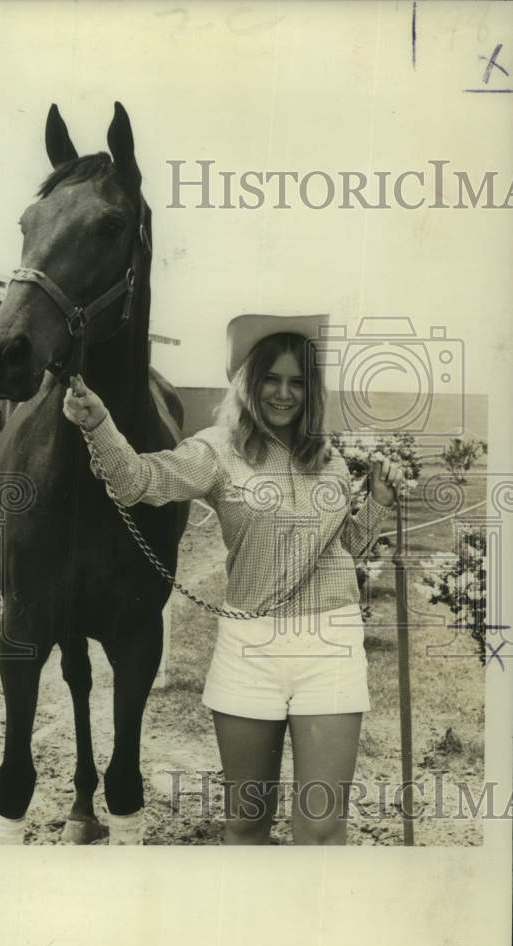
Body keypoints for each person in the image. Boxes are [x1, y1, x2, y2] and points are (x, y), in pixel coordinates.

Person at [63, 314, 403, 845]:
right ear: (250, 379)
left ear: (311, 389)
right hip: (250, 651)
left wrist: (377, 507)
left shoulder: (328, 456)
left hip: (331, 644)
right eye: (272, 378)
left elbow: (342, 553)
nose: (284, 394)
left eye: (297, 382)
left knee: (321, 824)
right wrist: (99, 424)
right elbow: (137, 481)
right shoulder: (216, 451)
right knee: (246, 823)